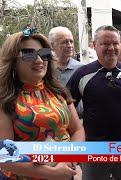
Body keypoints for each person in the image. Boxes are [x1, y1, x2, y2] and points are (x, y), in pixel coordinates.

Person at [0, 29, 85, 179]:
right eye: (28, 54)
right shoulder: (5, 99)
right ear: (13, 62)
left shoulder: (59, 91)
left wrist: (70, 159)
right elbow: (5, 157)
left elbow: (77, 130)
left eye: (44, 53)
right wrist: (51, 173)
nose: (39, 60)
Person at [67, 25, 121, 179]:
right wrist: (75, 141)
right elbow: (68, 109)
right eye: (105, 44)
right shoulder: (82, 74)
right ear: (94, 45)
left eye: (115, 43)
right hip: (95, 147)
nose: (111, 48)